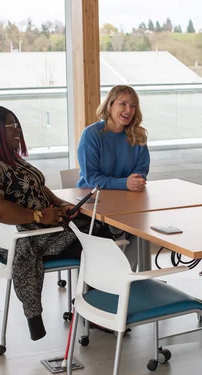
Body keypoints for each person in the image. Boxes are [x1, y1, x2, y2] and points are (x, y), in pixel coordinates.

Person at [0, 104, 87, 341]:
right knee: (99, 241)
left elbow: (38, 186)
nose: (17, 130)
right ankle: (96, 310)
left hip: (44, 230)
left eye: (16, 124)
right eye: (9, 126)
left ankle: (95, 304)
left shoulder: (9, 158)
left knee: (100, 228)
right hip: (29, 239)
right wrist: (40, 216)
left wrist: (60, 203)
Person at [76, 85, 150, 271]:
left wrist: (136, 180)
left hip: (128, 201)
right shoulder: (91, 135)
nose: (128, 110)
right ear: (109, 105)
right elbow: (92, 178)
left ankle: (127, 279)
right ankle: (102, 282)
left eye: (133, 106)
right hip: (94, 204)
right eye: (123, 104)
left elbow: (141, 168)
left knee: (141, 227)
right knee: (126, 229)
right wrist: (125, 183)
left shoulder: (138, 134)